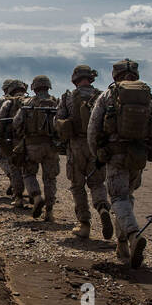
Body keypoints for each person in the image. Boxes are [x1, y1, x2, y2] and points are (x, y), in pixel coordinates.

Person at [87, 59, 152, 267]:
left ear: (115, 75)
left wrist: (99, 153)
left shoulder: (109, 95)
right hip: (137, 156)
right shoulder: (147, 96)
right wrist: (146, 142)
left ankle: (132, 235)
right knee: (127, 196)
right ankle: (122, 244)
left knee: (119, 198)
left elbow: (93, 129)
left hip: (115, 155)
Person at [56, 65, 111, 241]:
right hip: (95, 146)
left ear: (75, 79)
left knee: (77, 185)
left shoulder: (68, 97)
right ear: (90, 78)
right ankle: (102, 207)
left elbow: (58, 120)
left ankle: (84, 224)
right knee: (97, 184)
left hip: (76, 145)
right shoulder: (102, 96)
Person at [13, 75, 61, 220]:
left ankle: (36, 196)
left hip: (32, 145)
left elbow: (16, 123)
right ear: (48, 87)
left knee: (28, 173)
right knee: (50, 178)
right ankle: (50, 211)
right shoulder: (56, 103)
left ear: (34, 88)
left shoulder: (28, 103)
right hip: (51, 146)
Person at [0, 80, 28, 205]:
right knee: (28, 167)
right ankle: (34, 192)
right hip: (31, 140)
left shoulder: (5, 101)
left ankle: (18, 194)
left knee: (9, 162)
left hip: (11, 139)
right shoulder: (31, 100)